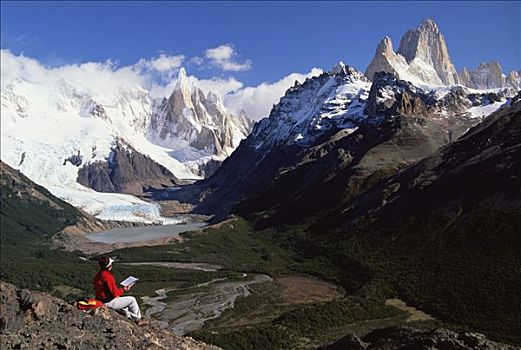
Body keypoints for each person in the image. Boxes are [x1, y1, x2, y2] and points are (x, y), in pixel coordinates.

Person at [93, 257, 145, 324]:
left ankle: (128, 315)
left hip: (100, 300)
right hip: (107, 302)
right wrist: (123, 289)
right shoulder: (108, 276)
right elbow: (114, 293)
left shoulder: (98, 275)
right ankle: (138, 319)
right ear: (110, 266)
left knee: (120, 299)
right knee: (132, 300)